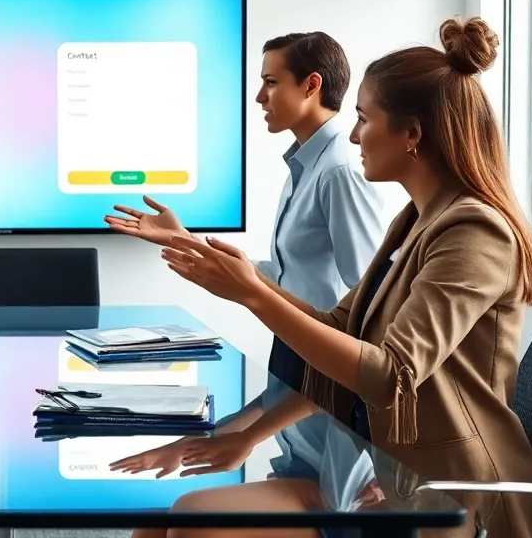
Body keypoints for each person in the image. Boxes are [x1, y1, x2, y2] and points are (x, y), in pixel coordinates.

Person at [116, 18, 532, 538]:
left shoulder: (475, 231)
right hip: (397, 483)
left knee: (191, 529)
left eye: (365, 120)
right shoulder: (414, 221)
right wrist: (239, 283)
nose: (351, 135)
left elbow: (390, 374)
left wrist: (251, 293)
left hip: (452, 514)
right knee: (165, 523)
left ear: (412, 133)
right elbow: (337, 325)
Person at [106, 31, 383, 480]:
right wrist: (184, 240)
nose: (260, 96)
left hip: (327, 388)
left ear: (311, 86)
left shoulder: (338, 172)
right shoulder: (306, 166)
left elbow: (367, 299)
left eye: (271, 83)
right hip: (298, 370)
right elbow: (285, 274)